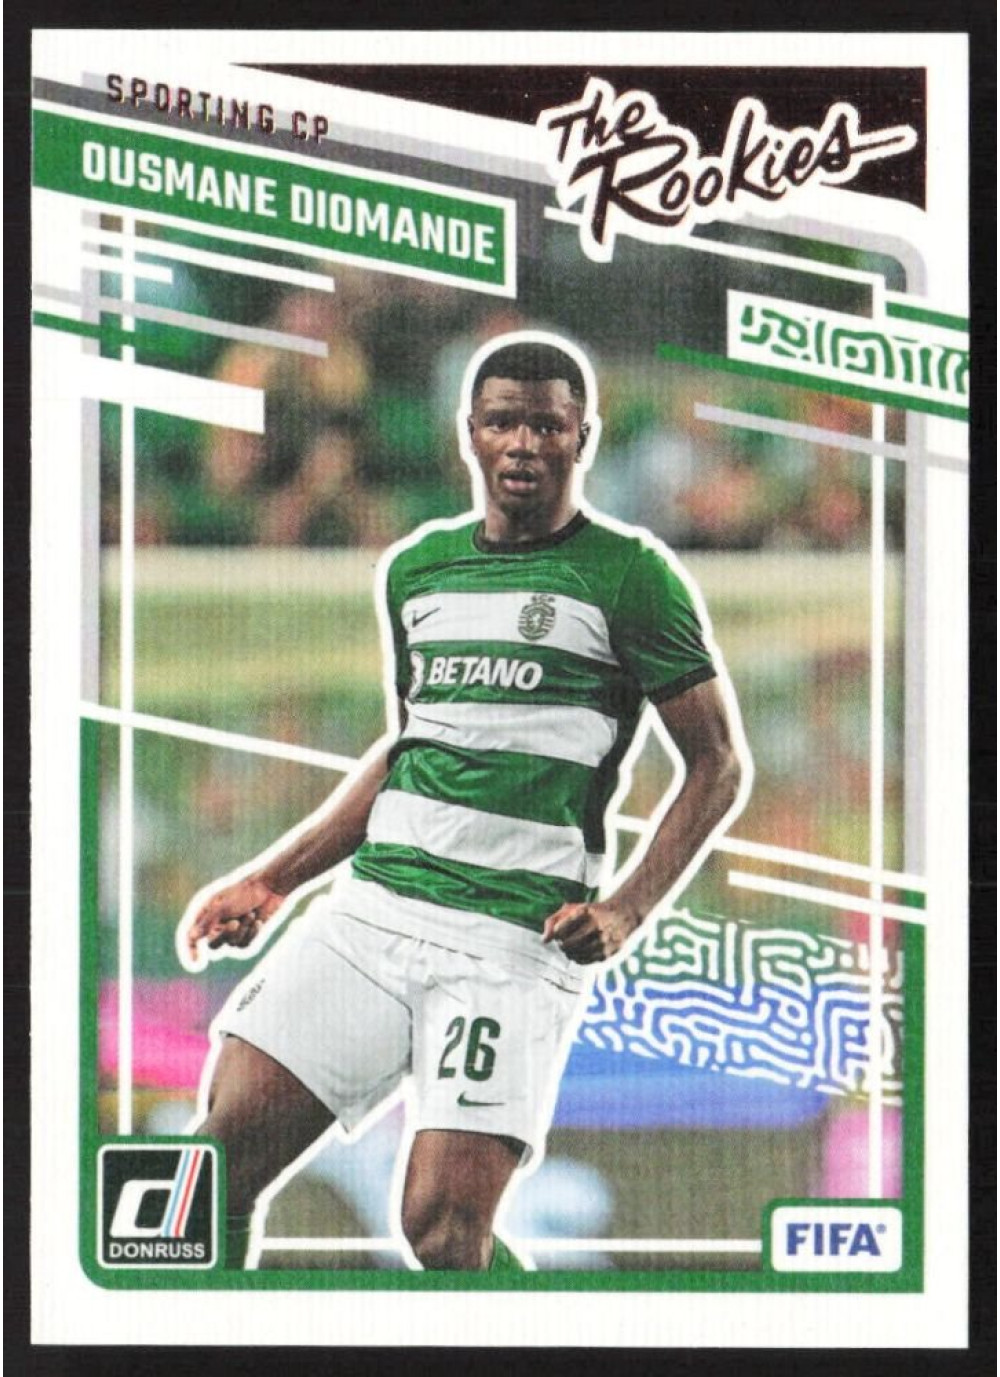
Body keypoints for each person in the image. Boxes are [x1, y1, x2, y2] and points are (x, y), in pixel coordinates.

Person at [180, 331, 749, 1273]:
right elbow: (416, 747)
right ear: (469, 433)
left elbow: (718, 764)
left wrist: (626, 907)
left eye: (546, 425)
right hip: (372, 916)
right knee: (211, 1169)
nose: (523, 443)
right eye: (502, 422)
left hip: (508, 943)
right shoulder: (418, 569)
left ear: (583, 437)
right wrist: (274, 879)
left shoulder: (632, 575)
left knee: (442, 1230)